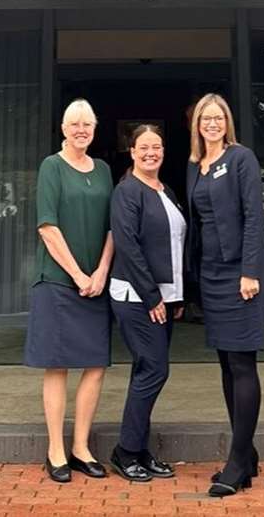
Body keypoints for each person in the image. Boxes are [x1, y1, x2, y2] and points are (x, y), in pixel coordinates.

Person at [23, 99, 114, 484]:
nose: (81, 130)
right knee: (57, 365)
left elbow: (114, 226)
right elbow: (47, 227)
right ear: (63, 128)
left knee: (95, 365)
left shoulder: (105, 169)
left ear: (94, 129)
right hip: (60, 283)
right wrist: (79, 274)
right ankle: (55, 450)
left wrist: (102, 271)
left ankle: (81, 448)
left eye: (87, 124)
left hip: (97, 282)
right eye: (74, 124)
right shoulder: (52, 167)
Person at [186, 93, 264, 498]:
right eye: (206, 118)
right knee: (224, 363)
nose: (212, 124)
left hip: (240, 274)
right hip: (211, 274)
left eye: (218, 118)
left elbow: (254, 216)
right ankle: (247, 453)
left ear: (227, 122)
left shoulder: (241, 159)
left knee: (242, 362)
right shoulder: (195, 165)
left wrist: (250, 270)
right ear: (197, 124)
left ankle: (236, 463)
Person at [108, 124, 187, 483]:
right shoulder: (127, 191)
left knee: (147, 371)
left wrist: (177, 296)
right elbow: (128, 246)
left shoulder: (165, 190)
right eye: (144, 147)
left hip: (164, 299)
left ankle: (138, 449)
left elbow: (172, 245)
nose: (151, 152)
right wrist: (153, 295)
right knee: (155, 370)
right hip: (137, 298)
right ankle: (125, 451)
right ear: (133, 151)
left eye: (157, 146)